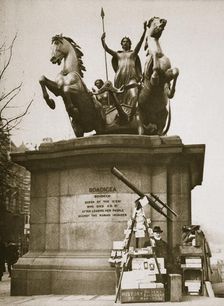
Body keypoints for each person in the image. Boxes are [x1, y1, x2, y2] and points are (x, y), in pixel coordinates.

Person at [101, 22, 147, 115]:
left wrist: (144, 31)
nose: (125, 43)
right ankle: (122, 114)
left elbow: (140, 42)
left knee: (134, 95)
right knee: (120, 99)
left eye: (127, 41)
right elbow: (107, 49)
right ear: (121, 44)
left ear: (130, 44)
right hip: (119, 78)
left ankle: (131, 113)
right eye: (123, 42)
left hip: (131, 77)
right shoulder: (118, 54)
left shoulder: (133, 53)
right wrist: (102, 40)